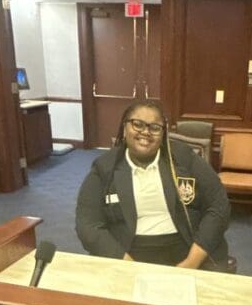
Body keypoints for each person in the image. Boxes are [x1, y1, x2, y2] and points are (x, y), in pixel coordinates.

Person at [76, 100, 231, 269]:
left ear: (163, 133)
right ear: (124, 127)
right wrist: (126, 265)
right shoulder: (105, 167)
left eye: (154, 128)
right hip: (127, 251)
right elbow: (88, 225)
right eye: (137, 124)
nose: (146, 132)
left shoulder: (184, 157)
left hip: (185, 247)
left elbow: (219, 206)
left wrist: (192, 262)